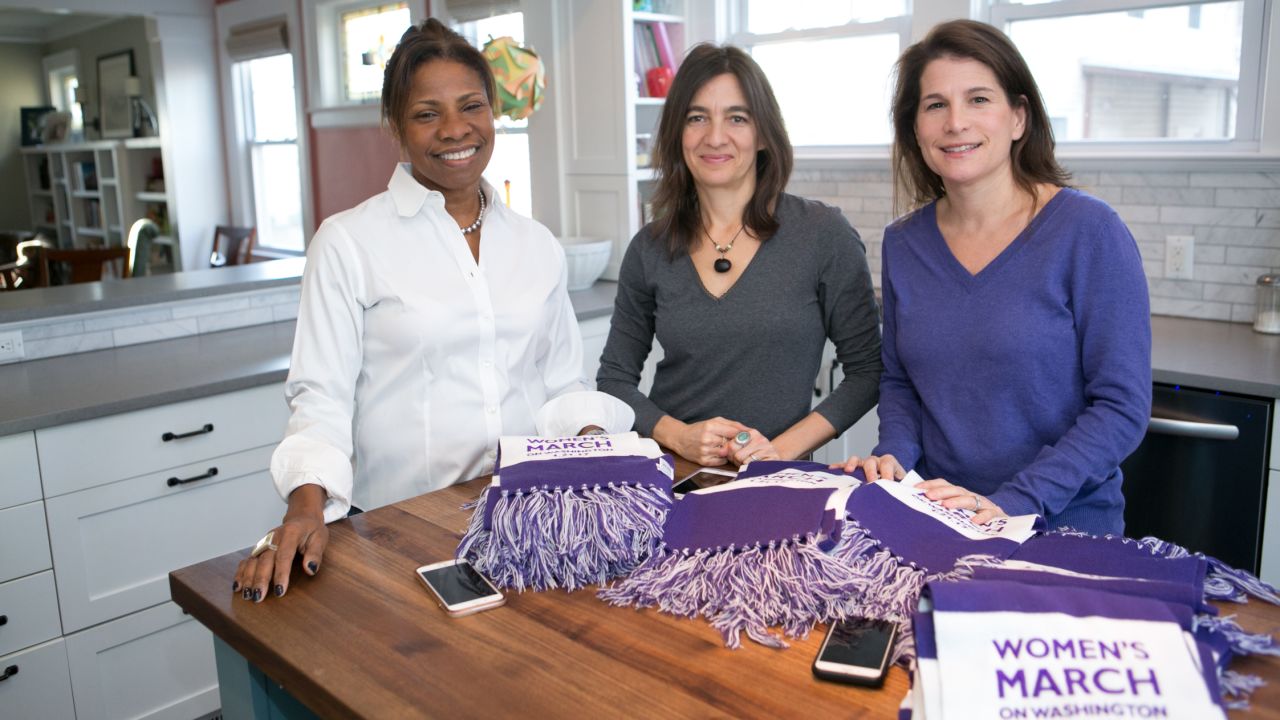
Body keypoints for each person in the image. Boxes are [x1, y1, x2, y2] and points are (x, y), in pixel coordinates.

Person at [235, 19, 631, 603]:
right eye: (427, 113)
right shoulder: (348, 242)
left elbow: (560, 383)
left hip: (529, 520)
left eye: (471, 106)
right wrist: (305, 506)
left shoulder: (535, 244)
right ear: (396, 127)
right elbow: (320, 398)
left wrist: (593, 441)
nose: (455, 129)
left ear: (494, 112)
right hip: (400, 531)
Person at [840, 20, 1151, 536]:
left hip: (1061, 527)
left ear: (1018, 118)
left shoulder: (1089, 231)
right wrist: (893, 456)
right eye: (935, 105)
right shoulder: (904, 243)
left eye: (979, 99)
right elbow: (900, 382)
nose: (955, 122)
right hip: (940, 518)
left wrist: (1013, 502)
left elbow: (1120, 407)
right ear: (915, 129)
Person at [596, 44, 882, 468]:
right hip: (670, 471)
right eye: (697, 118)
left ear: (763, 133)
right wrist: (679, 435)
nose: (715, 137)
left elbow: (867, 372)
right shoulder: (649, 248)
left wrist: (780, 450)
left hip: (778, 478)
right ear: (678, 133)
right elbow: (614, 381)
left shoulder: (822, 235)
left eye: (737, 118)